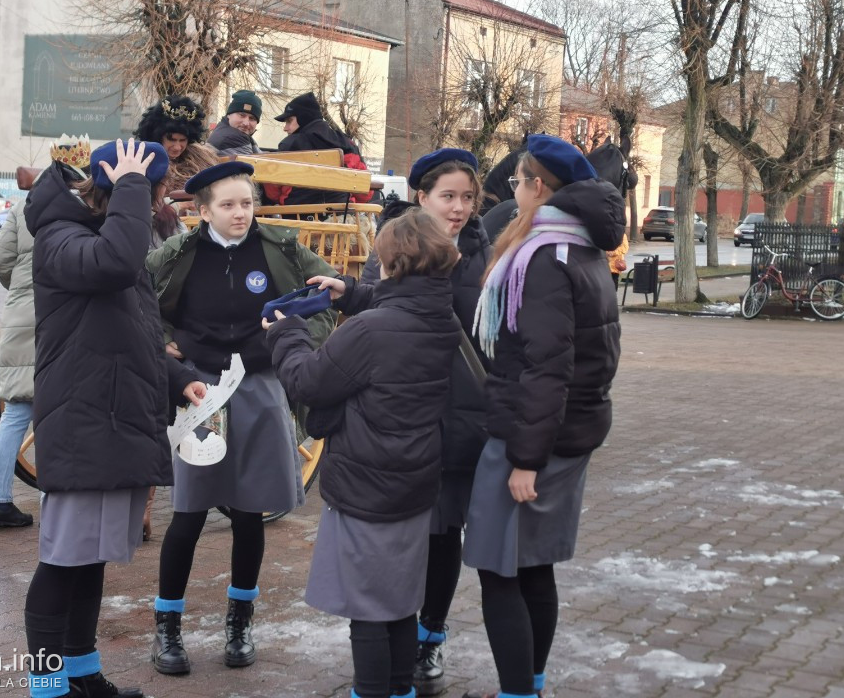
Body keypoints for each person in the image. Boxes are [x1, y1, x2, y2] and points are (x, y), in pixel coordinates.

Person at [21, 138, 205, 698]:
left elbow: (138, 333)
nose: (156, 206)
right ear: (121, 188)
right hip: (84, 420)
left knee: (90, 559)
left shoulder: (103, 233)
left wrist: (179, 380)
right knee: (62, 561)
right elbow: (116, 265)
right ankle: (47, 687)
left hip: (115, 416)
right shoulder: (60, 238)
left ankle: (82, 675)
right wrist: (131, 185)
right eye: (153, 193)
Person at [144, 160, 338, 677]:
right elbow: (142, 299)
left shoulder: (278, 245)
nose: (239, 214)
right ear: (203, 211)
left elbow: (328, 290)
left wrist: (299, 344)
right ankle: (167, 629)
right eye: (227, 205)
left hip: (258, 385)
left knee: (250, 512)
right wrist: (169, 353)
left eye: (247, 203)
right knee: (189, 511)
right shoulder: (180, 253)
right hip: (199, 389)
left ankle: (240, 622)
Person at [264, 210, 460, 698]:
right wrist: (349, 293)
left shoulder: (370, 331)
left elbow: (307, 380)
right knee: (396, 602)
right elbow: (404, 312)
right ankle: (400, 688)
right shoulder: (442, 318)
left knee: (367, 610)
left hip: (366, 483)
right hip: (414, 481)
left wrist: (285, 332)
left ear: (392, 263)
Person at [463, 134, 624, 698]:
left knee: (500, 569)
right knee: (531, 566)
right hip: (562, 431)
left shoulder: (546, 256)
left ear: (538, 186)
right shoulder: (576, 246)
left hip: (532, 440)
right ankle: (528, 683)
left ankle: (518, 691)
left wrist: (526, 460)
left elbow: (547, 367)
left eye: (516, 182)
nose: (512, 192)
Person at [358, 149, 491, 695]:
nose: (458, 208)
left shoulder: (483, 251)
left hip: (458, 416)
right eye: (447, 196)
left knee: (443, 534)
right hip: (404, 414)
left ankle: (430, 635)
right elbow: (376, 305)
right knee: (399, 536)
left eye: (466, 198)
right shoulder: (390, 243)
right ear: (421, 197)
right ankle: (393, 634)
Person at [0, 138, 80, 529]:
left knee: (16, 411)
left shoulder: (24, 206)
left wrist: (19, 294)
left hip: (20, 315)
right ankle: (52, 503)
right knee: (53, 413)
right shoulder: (78, 206)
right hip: (60, 315)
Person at [134, 95, 219, 243]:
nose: (177, 147)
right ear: (158, 136)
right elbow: (140, 206)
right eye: (172, 140)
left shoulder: (201, 161)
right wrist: (177, 205)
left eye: (183, 140)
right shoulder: (144, 163)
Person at [273, 91, 362, 205]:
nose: (285, 128)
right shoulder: (348, 144)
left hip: (295, 217)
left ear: (303, 118)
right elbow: (365, 193)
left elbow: (273, 191)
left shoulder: (289, 145)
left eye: (289, 121)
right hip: (340, 217)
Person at [206, 90, 264, 157]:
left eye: (252, 118)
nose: (246, 123)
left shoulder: (224, 129)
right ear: (229, 115)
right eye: (242, 115)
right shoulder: (233, 138)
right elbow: (257, 164)